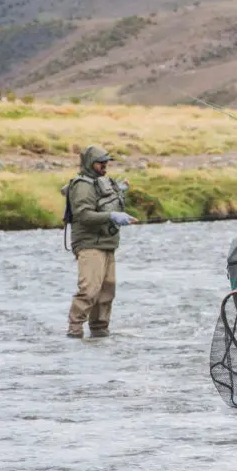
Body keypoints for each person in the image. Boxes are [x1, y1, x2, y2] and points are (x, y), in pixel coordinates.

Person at [64, 144, 137, 338]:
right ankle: (75, 329)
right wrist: (112, 216)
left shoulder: (102, 182)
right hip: (89, 245)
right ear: (90, 163)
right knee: (89, 290)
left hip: (107, 243)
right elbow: (83, 215)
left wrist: (120, 191)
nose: (105, 166)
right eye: (101, 163)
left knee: (107, 291)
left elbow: (104, 202)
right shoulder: (81, 186)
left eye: (106, 162)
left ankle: (99, 330)